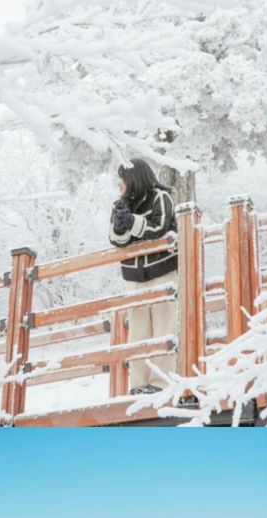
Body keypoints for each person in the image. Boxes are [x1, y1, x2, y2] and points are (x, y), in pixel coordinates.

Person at [109, 158, 178, 395]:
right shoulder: (120, 204)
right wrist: (119, 227)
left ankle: (160, 383)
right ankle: (138, 385)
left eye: (122, 178)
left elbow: (160, 229)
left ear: (134, 178)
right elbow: (116, 241)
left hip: (162, 272)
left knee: (163, 329)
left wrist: (133, 223)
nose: (119, 183)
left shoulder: (160, 197)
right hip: (135, 278)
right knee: (138, 333)